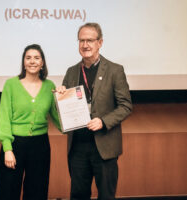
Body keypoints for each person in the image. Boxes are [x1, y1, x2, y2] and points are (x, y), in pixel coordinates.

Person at [56, 23, 132, 200]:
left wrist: (103, 121)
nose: (85, 45)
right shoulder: (72, 71)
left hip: (104, 146)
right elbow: (64, 109)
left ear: (100, 42)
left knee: (106, 195)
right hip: (78, 147)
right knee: (78, 195)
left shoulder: (115, 70)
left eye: (90, 40)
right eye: (81, 40)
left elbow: (126, 105)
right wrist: (60, 98)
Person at [0, 44, 60, 200]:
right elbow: (4, 117)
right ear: (23, 62)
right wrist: (7, 149)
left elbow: (58, 119)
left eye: (37, 58)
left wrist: (63, 99)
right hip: (15, 145)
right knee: (8, 191)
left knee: (37, 191)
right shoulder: (11, 85)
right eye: (28, 58)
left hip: (40, 146)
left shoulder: (50, 86)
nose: (32, 61)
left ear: (42, 63)